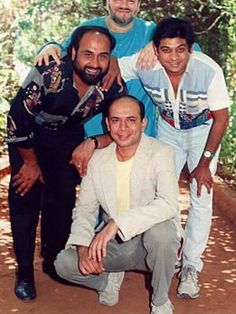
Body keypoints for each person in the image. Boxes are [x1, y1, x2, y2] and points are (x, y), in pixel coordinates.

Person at [6, 25, 127, 301]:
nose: (94, 63)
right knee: (25, 195)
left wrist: (94, 142)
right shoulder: (49, 75)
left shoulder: (111, 83)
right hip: (29, 138)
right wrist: (31, 163)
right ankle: (24, 271)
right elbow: (15, 121)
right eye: (87, 54)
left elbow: (124, 123)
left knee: (62, 199)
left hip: (67, 140)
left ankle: (54, 260)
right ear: (73, 53)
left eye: (102, 56)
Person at [118, 17, 230, 299]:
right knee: (160, 194)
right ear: (156, 50)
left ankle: (191, 266)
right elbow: (111, 67)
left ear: (191, 49)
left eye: (180, 49)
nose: (174, 57)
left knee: (200, 195)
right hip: (169, 130)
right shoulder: (146, 63)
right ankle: (164, 254)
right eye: (166, 50)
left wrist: (204, 164)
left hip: (203, 132)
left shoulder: (208, 71)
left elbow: (221, 118)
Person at [55, 95, 180, 314]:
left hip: (148, 244)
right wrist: (83, 250)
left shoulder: (161, 153)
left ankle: (160, 301)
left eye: (131, 120)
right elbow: (85, 209)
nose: (122, 128)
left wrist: (116, 223)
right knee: (64, 263)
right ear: (107, 124)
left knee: (163, 234)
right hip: (113, 246)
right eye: (115, 120)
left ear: (143, 123)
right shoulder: (97, 160)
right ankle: (107, 282)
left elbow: (168, 204)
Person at [36, 0, 158, 141]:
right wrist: (49, 46)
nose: (124, 5)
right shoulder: (88, 29)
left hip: (141, 133)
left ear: (138, 5)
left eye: (131, 0)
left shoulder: (151, 32)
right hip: (93, 132)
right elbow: (63, 54)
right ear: (107, 2)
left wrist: (157, 44)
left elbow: (187, 49)